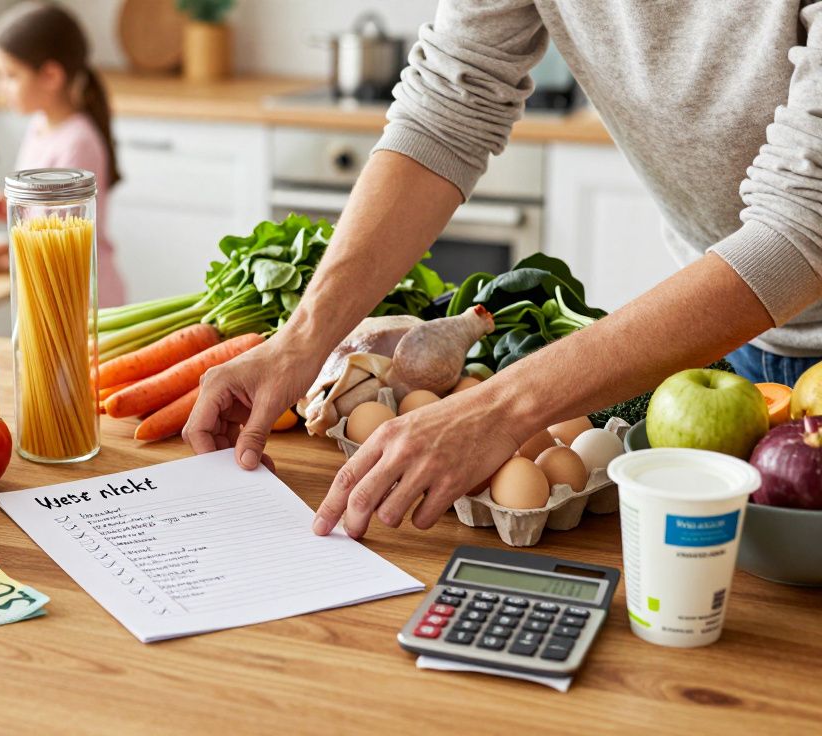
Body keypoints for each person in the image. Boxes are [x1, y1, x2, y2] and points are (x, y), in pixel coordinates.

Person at [184, 1, 822, 539]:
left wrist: (500, 408)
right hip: (734, 341)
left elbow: (803, 225)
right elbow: (447, 109)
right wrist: (301, 338)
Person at [0, 0, 128, 307]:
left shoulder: (77, 142)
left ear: (51, 76)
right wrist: (12, 204)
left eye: (10, 75)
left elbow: (57, 238)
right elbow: (39, 211)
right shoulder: (40, 126)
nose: (0, 87)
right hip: (48, 285)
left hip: (82, 295)